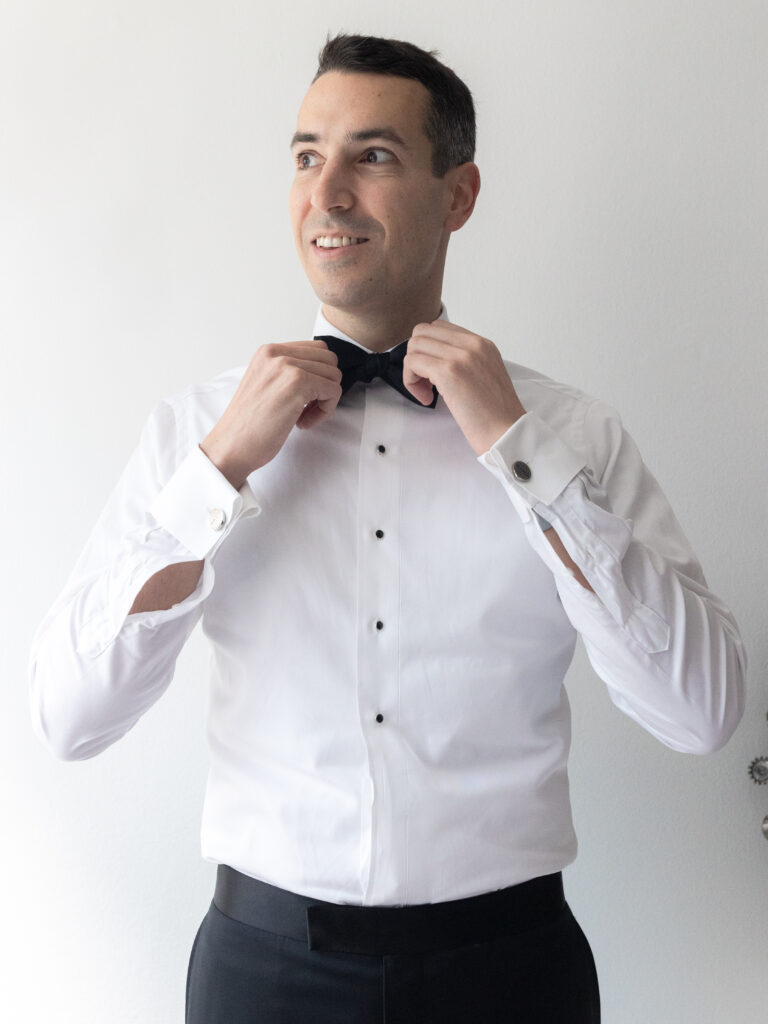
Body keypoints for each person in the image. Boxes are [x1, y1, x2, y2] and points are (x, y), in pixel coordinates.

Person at [30, 33, 746, 1024]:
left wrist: (520, 453)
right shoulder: (194, 435)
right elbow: (68, 717)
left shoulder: (573, 436)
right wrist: (216, 470)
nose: (327, 196)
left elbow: (702, 710)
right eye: (306, 157)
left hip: (512, 975)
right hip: (262, 976)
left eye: (372, 156)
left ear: (458, 195)